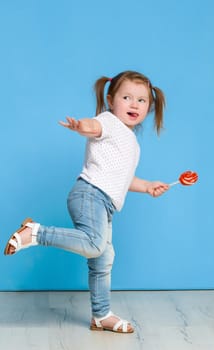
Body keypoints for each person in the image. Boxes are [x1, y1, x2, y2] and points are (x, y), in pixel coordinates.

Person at [4, 70, 169, 333]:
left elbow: (123, 179)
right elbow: (94, 126)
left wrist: (148, 186)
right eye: (127, 97)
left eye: (141, 100)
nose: (134, 104)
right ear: (111, 100)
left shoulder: (132, 143)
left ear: (149, 107)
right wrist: (82, 126)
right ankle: (36, 233)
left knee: (103, 258)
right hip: (90, 194)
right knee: (94, 244)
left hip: (104, 203)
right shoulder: (109, 122)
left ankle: (101, 315)